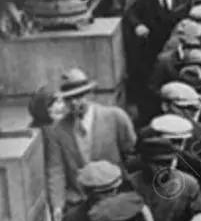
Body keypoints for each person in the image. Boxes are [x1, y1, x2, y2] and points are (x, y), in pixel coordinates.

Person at [48, 68, 137, 212]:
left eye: (79, 96)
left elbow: (133, 157)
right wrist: (57, 205)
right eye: (68, 98)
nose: (74, 102)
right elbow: (56, 170)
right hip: (79, 203)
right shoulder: (57, 130)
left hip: (113, 198)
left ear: (90, 94)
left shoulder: (115, 118)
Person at [126, 0, 188, 119]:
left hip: (179, 50)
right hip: (154, 52)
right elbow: (130, 14)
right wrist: (138, 25)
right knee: (154, 89)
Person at [29, 86, 69, 221]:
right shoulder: (50, 131)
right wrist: (57, 204)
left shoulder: (48, 127)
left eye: (61, 101)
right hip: (53, 191)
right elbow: (54, 167)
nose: (61, 106)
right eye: (53, 103)